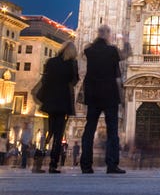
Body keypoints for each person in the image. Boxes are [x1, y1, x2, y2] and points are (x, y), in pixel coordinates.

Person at [80, 25, 126, 174]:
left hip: (92, 94)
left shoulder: (89, 51)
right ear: (107, 36)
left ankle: (86, 165)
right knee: (112, 131)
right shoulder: (112, 51)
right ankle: (112, 164)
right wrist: (123, 40)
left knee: (89, 129)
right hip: (109, 95)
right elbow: (124, 55)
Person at [38, 40, 78, 174]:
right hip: (62, 102)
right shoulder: (71, 64)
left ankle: (39, 160)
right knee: (58, 134)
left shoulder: (51, 61)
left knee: (49, 132)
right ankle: (53, 164)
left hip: (50, 101)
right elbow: (75, 80)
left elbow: (45, 79)